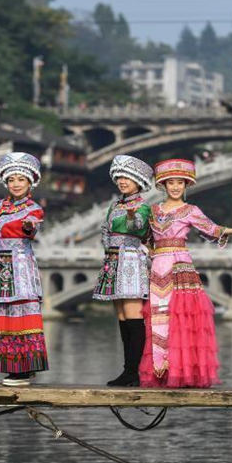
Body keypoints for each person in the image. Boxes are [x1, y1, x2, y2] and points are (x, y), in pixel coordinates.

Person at [139, 159, 232, 388]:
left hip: (180, 267)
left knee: (182, 318)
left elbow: (212, 229)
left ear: (186, 185)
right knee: (159, 319)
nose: (175, 187)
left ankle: (183, 373)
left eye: (179, 183)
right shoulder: (152, 211)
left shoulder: (191, 211)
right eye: (170, 183)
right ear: (163, 185)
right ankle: (162, 372)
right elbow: (145, 238)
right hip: (157, 268)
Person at [0, 153, 48, 387]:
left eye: (21, 179)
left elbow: (31, 229)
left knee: (22, 310)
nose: (16, 184)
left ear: (30, 182)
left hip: (20, 264)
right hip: (0, 264)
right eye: (12, 180)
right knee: (4, 312)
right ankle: (13, 365)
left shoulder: (34, 209)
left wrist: (29, 228)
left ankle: (23, 368)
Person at [93, 156, 154, 386]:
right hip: (113, 260)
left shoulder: (142, 206)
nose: (122, 181)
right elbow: (105, 230)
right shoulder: (115, 205)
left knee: (133, 315)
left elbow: (138, 226)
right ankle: (127, 370)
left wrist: (131, 217)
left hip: (130, 260)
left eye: (127, 178)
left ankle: (134, 371)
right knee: (121, 315)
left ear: (138, 181)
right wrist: (108, 249)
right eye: (119, 177)